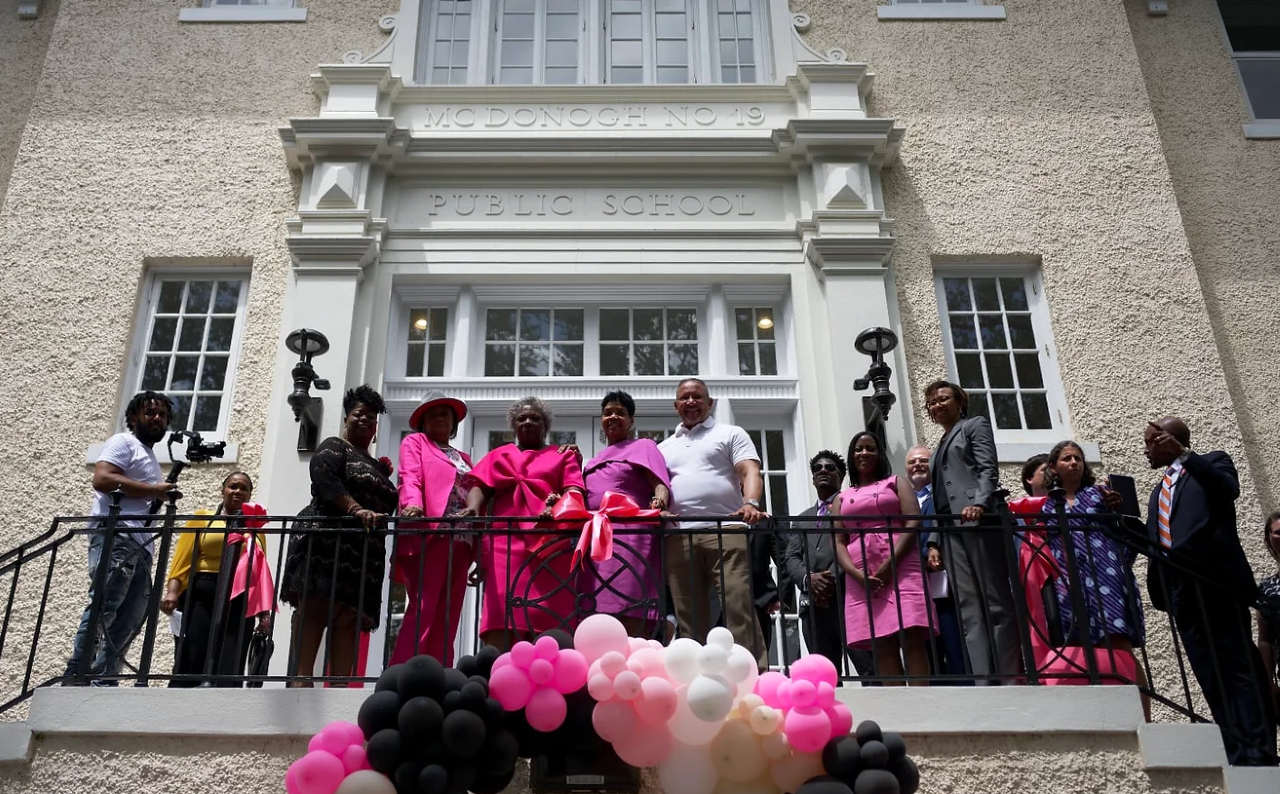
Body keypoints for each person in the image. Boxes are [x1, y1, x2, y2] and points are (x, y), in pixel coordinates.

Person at [1143, 417, 1276, 765]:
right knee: (1210, 675)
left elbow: (1227, 488)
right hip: (1181, 595)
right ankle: (1234, 748)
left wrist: (1185, 455)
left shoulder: (1212, 461)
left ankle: (1259, 751)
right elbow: (1156, 540)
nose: (1145, 450)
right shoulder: (1158, 492)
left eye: (1149, 442)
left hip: (1216, 586)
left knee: (1238, 669)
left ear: (1166, 440)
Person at [281, 385, 396, 686]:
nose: (364, 421)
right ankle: (302, 678)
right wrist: (356, 508)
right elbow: (324, 479)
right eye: (358, 415)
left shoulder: (379, 466)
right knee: (317, 608)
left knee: (348, 619)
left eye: (371, 418)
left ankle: (341, 688)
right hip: (326, 545)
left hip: (363, 556)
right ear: (346, 418)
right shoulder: (334, 447)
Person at [65, 391, 176, 684]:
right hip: (117, 537)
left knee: (129, 619)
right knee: (105, 604)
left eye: (162, 415)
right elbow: (102, 479)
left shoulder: (149, 457)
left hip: (141, 546)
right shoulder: (123, 442)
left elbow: (141, 503)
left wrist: (159, 494)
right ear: (133, 418)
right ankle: (78, 671)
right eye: (150, 412)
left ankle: (105, 679)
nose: (157, 418)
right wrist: (154, 490)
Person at [659, 378, 768, 670]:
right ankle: (698, 681)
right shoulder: (665, 446)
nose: (691, 402)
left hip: (726, 528)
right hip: (679, 536)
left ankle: (752, 676)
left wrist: (751, 503)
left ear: (710, 403)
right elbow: (659, 489)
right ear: (676, 405)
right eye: (684, 397)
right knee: (689, 616)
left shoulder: (730, 433)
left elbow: (750, 471)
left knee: (737, 607)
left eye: (697, 396)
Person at [460, 396, 586, 651]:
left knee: (550, 615)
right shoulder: (499, 454)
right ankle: (500, 674)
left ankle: (551, 671)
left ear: (546, 425)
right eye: (522, 418)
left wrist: (559, 504)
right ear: (513, 426)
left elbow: (574, 490)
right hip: (504, 546)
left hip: (549, 543)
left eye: (535, 418)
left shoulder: (561, 455)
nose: (528, 421)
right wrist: (472, 507)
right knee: (502, 615)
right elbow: (480, 486)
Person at [1039, 441, 1148, 717]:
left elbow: (1129, 533)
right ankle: (1098, 716)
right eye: (1066, 458)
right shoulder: (1047, 506)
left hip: (1106, 578)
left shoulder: (1100, 494)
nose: (1074, 463)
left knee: (1117, 644)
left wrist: (1116, 509)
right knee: (1078, 649)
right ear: (1053, 467)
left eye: (1078, 458)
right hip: (1069, 584)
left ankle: (1144, 717)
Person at [925, 379, 1022, 682]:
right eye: (931, 402)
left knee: (995, 602)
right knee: (968, 608)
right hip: (951, 531)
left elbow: (986, 468)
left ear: (960, 401)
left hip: (976, 522)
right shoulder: (938, 446)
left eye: (943, 399)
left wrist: (980, 503)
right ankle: (983, 678)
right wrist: (933, 542)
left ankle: (1008, 676)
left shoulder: (974, 426)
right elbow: (937, 498)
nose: (937, 405)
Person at [160, 472, 273, 687]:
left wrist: (263, 612)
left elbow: (260, 571)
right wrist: (172, 591)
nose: (238, 491)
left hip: (240, 598)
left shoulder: (255, 527)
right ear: (223, 491)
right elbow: (182, 559)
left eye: (243, 488)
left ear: (249, 495)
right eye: (233, 486)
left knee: (232, 654)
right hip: (202, 593)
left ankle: (224, 704)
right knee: (194, 648)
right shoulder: (203, 518)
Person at [835, 432, 931, 685]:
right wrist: (856, 575)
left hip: (901, 563)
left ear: (879, 455)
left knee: (911, 633)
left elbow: (913, 521)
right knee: (881, 639)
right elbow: (838, 542)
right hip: (860, 571)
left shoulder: (896, 482)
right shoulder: (841, 497)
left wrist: (890, 564)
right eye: (858, 449)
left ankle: (925, 702)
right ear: (851, 457)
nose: (864, 453)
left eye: (870, 448)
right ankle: (899, 709)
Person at [577, 391, 672, 638]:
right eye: (607, 413)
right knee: (595, 611)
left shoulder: (643, 446)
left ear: (632, 420)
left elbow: (659, 484)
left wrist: (659, 502)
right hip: (597, 537)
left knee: (629, 604)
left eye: (620, 412)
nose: (613, 417)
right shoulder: (592, 460)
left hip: (631, 536)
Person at [393, 390, 474, 665]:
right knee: (424, 608)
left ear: (454, 424)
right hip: (432, 532)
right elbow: (410, 476)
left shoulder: (463, 456)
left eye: (445, 415)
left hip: (462, 539)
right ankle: (403, 671)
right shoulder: (415, 442)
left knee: (449, 612)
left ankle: (438, 673)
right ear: (423, 422)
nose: (440, 418)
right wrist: (412, 505)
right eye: (434, 414)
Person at [781, 451, 875, 681]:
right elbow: (791, 558)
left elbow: (858, 547)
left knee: (869, 669)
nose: (823, 470)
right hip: (813, 606)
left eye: (830, 467)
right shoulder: (802, 518)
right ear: (813, 478)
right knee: (823, 676)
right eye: (818, 468)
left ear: (840, 476)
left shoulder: (852, 509)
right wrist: (809, 580)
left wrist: (829, 580)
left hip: (848, 600)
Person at [908, 445, 967, 683]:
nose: (918, 465)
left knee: (952, 642)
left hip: (945, 580)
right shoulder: (905, 500)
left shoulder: (944, 494)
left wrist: (932, 548)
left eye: (923, 460)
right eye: (912, 462)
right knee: (926, 647)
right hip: (914, 585)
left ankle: (963, 687)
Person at [1255, 512, 1280, 720]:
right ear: (1269, 540)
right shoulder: (1267, 590)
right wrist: (1268, 683)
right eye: (1279, 532)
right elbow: (1266, 641)